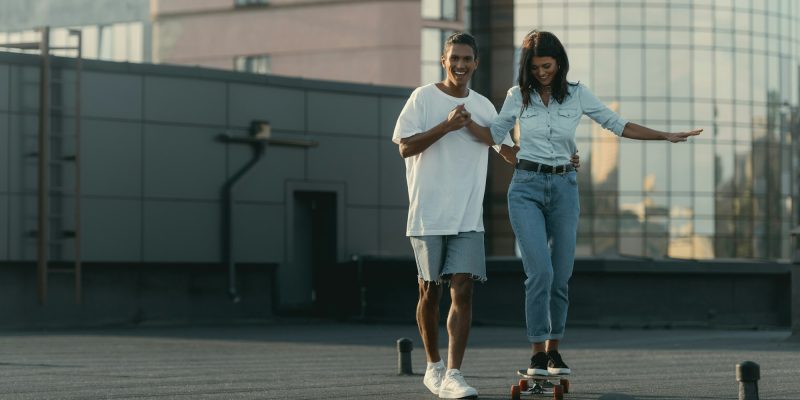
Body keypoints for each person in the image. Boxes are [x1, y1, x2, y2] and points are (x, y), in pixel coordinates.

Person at [466, 30, 702, 377]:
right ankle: (535, 354)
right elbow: (495, 135)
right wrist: (477, 133)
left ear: (559, 63)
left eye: (547, 66)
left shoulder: (577, 95)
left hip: (564, 188)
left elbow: (616, 124)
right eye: (535, 68)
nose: (542, 73)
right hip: (526, 190)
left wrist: (664, 135)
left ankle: (554, 351)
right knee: (540, 273)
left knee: (561, 277)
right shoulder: (518, 95)